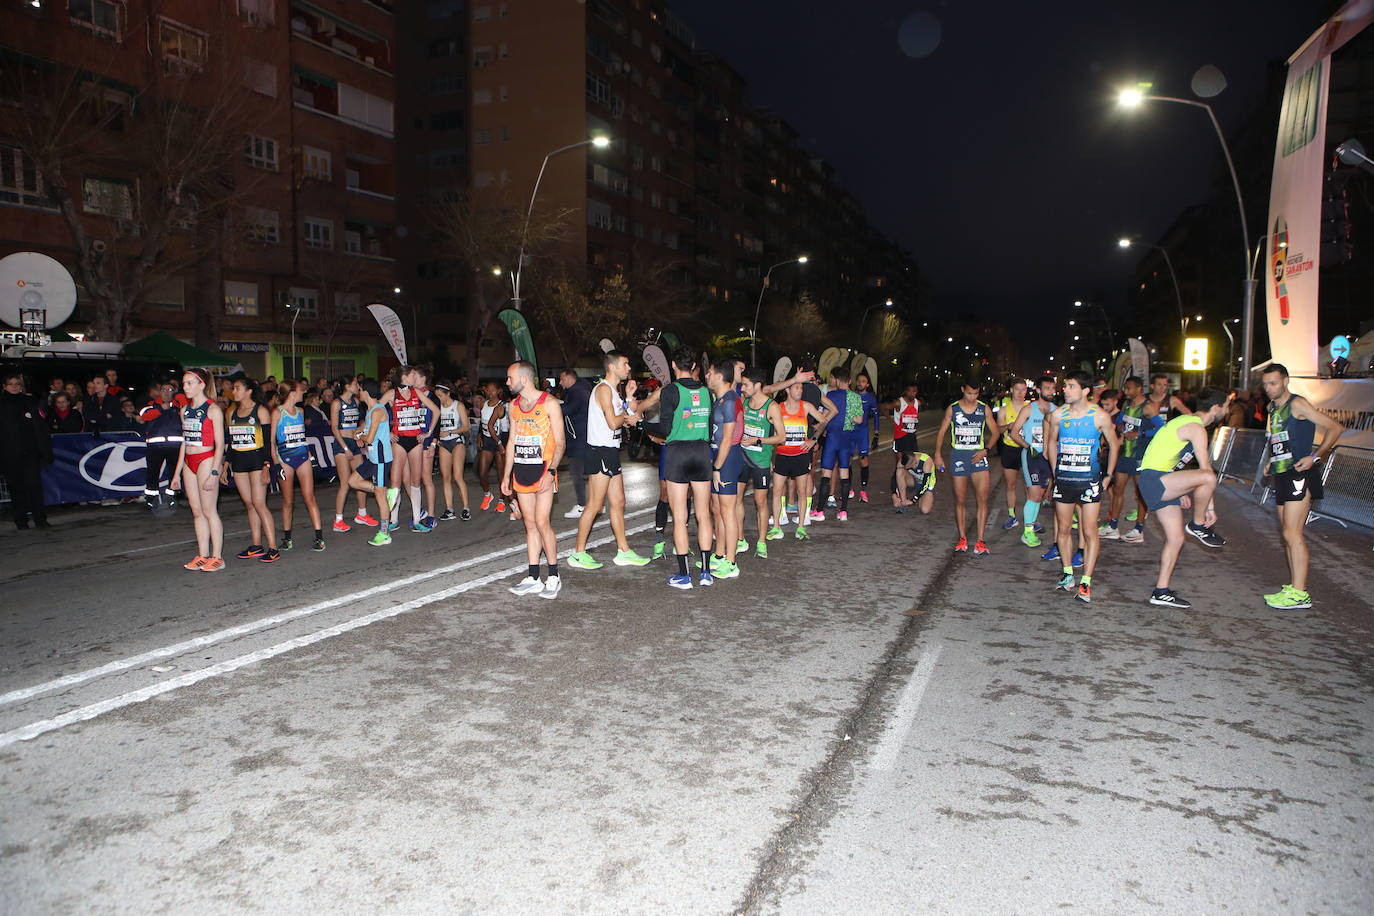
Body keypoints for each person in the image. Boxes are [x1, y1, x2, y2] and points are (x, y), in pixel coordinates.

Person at [1259, 364, 1345, 609]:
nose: (1268, 388)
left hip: (1300, 473)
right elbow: (1277, 438)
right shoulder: (1271, 407)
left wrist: (1316, 456)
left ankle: (1300, 593)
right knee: (1286, 534)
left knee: (1292, 533)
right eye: (1265, 384)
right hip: (1282, 474)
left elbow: (1335, 427)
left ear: (1286, 381)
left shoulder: (1297, 404)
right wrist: (1270, 462)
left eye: (1273, 383)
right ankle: (1294, 587)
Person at [632, 346, 719, 588]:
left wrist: (641, 425)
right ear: (694, 366)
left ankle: (684, 575)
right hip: (702, 453)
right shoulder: (706, 391)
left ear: (673, 365)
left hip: (677, 454)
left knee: (680, 518)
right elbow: (711, 426)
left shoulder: (670, 391)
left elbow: (666, 429)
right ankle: (706, 572)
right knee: (703, 514)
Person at [1138, 387, 1231, 609]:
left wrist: (1177, 492)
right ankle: (1198, 525)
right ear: (1216, 407)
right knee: (1209, 477)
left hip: (1158, 480)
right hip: (1155, 480)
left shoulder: (1186, 422)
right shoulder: (1196, 428)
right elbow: (1205, 471)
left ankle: (1161, 591)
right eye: (1226, 406)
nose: (1227, 410)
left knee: (1176, 538)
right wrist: (1209, 510)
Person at [568, 351, 650, 570]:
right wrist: (625, 416)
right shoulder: (604, 389)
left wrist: (630, 399)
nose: (629, 367)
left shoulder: (614, 392)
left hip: (611, 451)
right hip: (600, 452)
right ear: (612, 367)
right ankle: (578, 553)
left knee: (619, 502)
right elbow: (614, 422)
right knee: (595, 504)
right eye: (625, 364)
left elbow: (623, 416)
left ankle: (623, 551)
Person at [1043, 371, 1119, 603]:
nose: (1065, 389)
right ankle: (1068, 575)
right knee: (1064, 529)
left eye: (1071, 386)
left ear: (1085, 391)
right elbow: (1052, 443)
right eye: (1065, 386)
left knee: (1089, 531)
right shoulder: (1058, 415)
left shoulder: (1100, 416)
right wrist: (1056, 471)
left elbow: (1115, 446)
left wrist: (1108, 476)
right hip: (1065, 480)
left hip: (1089, 480)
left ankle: (1085, 582)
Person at [502, 361, 566, 599]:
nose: (507, 382)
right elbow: (511, 442)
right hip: (522, 470)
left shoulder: (549, 403)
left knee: (542, 522)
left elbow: (560, 442)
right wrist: (507, 474)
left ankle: (554, 575)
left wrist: (552, 472)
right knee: (529, 524)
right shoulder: (513, 406)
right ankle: (533, 577)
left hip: (544, 471)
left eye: (510, 378)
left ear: (524, 379)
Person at [935, 378, 1001, 555]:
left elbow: (996, 432)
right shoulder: (953, 408)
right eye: (969, 393)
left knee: (982, 499)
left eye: (976, 393)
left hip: (978, 456)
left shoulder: (983, 408)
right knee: (961, 500)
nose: (972, 397)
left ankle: (980, 540)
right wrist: (938, 454)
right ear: (962, 389)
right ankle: (962, 538)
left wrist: (985, 450)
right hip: (959, 456)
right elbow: (942, 431)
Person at [170, 368, 225, 570]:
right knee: (196, 511)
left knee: (210, 511)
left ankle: (217, 557)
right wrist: (176, 473)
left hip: (206, 459)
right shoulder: (184, 410)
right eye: (184, 383)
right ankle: (203, 554)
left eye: (190, 383)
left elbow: (220, 444)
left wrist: (213, 472)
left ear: (202, 384)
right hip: (188, 462)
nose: (185, 387)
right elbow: (184, 442)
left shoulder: (213, 409)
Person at [770, 378, 835, 543]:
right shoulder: (779, 408)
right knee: (777, 492)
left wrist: (813, 439)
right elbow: (770, 429)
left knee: (802, 492)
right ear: (788, 390)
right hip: (783, 455)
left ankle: (801, 527)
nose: (800, 391)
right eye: (796, 388)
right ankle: (776, 527)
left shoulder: (806, 406)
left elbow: (824, 420)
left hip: (800, 455)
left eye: (801, 388)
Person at [226, 377, 279, 562]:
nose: (234, 392)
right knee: (249, 503)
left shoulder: (261, 411)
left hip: (257, 460)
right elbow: (231, 441)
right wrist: (226, 463)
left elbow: (266, 443)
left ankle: (273, 548)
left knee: (259, 503)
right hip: (239, 462)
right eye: (233, 388)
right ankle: (256, 545)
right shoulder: (232, 412)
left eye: (237, 388)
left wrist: (266, 466)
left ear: (248, 391)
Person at [381, 367, 441, 532]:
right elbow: (375, 412)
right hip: (399, 440)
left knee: (416, 481)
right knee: (395, 481)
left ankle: (416, 521)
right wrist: (386, 432)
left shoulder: (417, 392)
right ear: (403, 377)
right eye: (411, 375)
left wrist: (428, 432)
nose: (414, 377)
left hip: (416, 440)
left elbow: (436, 411)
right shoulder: (392, 394)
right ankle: (392, 519)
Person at [737, 368, 786, 556]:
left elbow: (781, 437)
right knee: (735, 499)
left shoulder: (772, 406)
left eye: (746, 384)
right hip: (742, 459)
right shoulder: (744, 401)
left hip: (760, 462)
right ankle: (740, 540)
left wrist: (758, 440)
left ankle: (762, 541)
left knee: (760, 502)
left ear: (758, 385)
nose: (743, 388)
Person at [272, 381, 325, 552]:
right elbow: (271, 441)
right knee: (288, 501)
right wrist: (275, 463)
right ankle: (287, 538)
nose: (303, 392)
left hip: (302, 457)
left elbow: (302, 436)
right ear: (292, 393)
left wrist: (310, 456)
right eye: (301, 390)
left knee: (309, 497)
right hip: (285, 460)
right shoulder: (277, 413)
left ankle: (319, 538)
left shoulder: (301, 412)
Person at [1008, 376, 1057, 552]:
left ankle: (1030, 527)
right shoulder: (1029, 409)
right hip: (1032, 456)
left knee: (1042, 494)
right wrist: (1029, 447)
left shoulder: (1057, 410)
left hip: (1049, 457)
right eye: (1047, 388)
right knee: (1035, 493)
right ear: (1038, 390)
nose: (1051, 391)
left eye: (1053, 388)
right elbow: (1014, 433)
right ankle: (1027, 531)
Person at [705, 358, 744, 578]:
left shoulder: (729, 400)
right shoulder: (718, 400)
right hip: (717, 457)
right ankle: (719, 554)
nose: (707, 376)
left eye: (710, 373)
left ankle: (731, 562)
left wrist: (718, 466)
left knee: (728, 511)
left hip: (727, 459)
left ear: (720, 376)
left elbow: (728, 439)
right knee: (718, 509)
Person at [1, 371, 52, 530]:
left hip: (30, 450)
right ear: (4, 387)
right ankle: (21, 520)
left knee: (34, 485)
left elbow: (40, 425)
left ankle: (40, 519)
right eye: (11, 384)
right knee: (16, 488)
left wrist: (44, 449)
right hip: (10, 453)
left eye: (17, 384)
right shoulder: (1, 404)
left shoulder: (30, 401)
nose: (15, 387)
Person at [1102, 376, 1149, 543]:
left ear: (1139, 389)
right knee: (1117, 490)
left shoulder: (1148, 407)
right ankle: (1113, 526)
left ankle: (1139, 529)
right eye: (1125, 388)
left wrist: (1140, 433)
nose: (1126, 391)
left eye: (1129, 388)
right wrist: (1122, 427)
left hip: (1140, 455)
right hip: (1125, 454)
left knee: (1141, 492)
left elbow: (1160, 429)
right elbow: (1121, 421)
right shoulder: (1126, 404)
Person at [352, 379, 397, 547]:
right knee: (353, 481)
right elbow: (368, 433)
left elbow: (369, 438)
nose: (358, 392)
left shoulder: (377, 411)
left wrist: (359, 436)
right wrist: (360, 433)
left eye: (360, 390)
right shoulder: (370, 410)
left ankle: (384, 533)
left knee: (379, 496)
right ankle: (385, 492)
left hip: (380, 459)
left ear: (366, 392)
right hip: (372, 457)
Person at [815, 366, 862, 522]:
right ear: (848, 380)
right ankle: (843, 512)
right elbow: (859, 420)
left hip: (832, 438)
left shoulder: (831, 394)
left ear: (835, 379)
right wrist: (848, 417)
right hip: (846, 439)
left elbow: (823, 416)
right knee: (844, 474)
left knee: (826, 474)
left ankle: (819, 511)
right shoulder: (856, 397)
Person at [329, 376, 375, 531]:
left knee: (360, 477)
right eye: (355, 384)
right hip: (342, 445)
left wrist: (358, 434)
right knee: (345, 483)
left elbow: (360, 422)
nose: (357, 387)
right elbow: (334, 428)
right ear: (347, 386)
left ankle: (362, 514)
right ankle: (338, 520)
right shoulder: (336, 403)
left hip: (354, 444)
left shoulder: (355, 402)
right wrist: (345, 448)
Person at [139, 380, 184, 512]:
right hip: (155, 447)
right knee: (152, 474)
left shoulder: (179, 405)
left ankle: (173, 499)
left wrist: (177, 400)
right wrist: (161, 408)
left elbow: (187, 413)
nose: (166, 392)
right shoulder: (151, 405)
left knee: (174, 474)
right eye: (163, 389)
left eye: (170, 390)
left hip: (175, 447)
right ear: (159, 392)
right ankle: (151, 501)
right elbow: (145, 416)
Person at [434, 381, 473, 520]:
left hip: (456, 441)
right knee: (446, 477)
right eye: (437, 395)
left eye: (440, 395)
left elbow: (466, 427)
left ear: (448, 393)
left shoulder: (458, 405)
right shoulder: (437, 407)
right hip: (443, 443)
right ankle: (449, 509)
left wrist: (451, 432)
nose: (439, 398)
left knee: (457, 476)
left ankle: (466, 508)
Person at [559, 368, 593, 519]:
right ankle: (596, 504)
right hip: (585, 437)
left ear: (567, 377)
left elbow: (568, 409)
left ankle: (582, 506)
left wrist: (552, 406)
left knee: (576, 473)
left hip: (579, 439)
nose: (560, 383)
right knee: (589, 473)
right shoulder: (583, 387)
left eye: (561, 379)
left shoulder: (576, 392)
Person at [996, 378, 1029, 531]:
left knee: (1030, 486)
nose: (1021, 393)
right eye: (1018, 389)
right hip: (1010, 450)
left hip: (1027, 449)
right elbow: (998, 430)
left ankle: (1031, 519)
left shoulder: (1030, 408)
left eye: (1024, 390)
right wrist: (1007, 426)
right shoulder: (1004, 410)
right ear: (1011, 390)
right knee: (1011, 485)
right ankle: (1012, 516)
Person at [476, 380, 506, 512]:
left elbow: (495, 426)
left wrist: (501, 444)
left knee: (501, 475)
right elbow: (481, 424)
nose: (490, 392)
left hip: (498, 442)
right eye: (487, 390)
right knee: (482, 472)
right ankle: (488, 494)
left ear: (498, 391)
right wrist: (479, 436)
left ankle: (501, 500)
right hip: (487, 441)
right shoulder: (483, 404)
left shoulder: (501, 406)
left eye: (492, 390)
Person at [851, 371, 880, 502]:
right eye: (858, 381)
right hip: (851, 432)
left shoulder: (871, 398)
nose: (860, 383)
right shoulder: (851, 395)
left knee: (864, 461)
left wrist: (876, 434)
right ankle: (849, 489)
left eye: (863, 381)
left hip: (862, 433)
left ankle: (863, 491)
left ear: (867, 384)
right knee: (847, 461)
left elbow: (875, 417)